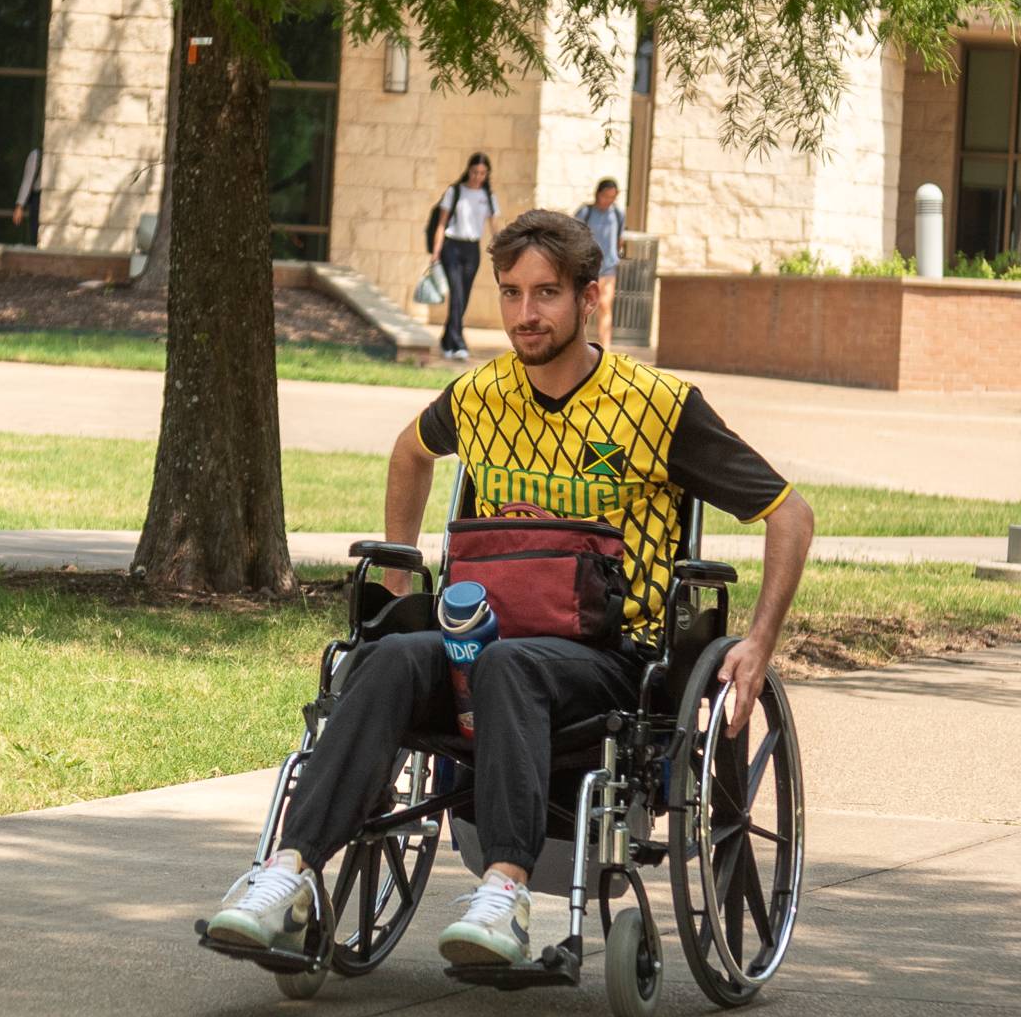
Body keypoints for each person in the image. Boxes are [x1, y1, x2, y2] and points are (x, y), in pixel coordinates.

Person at [204, 209, 817, 966]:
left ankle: (505, 892)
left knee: (508, 666)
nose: (526, 314)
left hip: (605, 659)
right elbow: (409, 451)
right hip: (479, 639)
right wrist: (402, 573)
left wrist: (757, 645)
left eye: (547, 294)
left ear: (590, 298)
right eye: (512, 293)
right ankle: (284, 874)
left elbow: (790, 513)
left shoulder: (658, 407)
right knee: (388, 659)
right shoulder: (480, 396)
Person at [429, 152, 498, 363]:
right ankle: (459, 343)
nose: (478, 176)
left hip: (472, 249)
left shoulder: (488, 197)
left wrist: (503, 248)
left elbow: (494, 225)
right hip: (452, 247)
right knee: (457, 293)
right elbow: (441, 223)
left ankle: (446, 340)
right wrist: (436, 252)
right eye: (475, 172)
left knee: (464, 296)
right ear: (468, 170)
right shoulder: (455, 191)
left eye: (483, 173)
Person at [577, 177, 626, 351]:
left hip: (608, 267)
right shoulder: (585, 212)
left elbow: (619, 238)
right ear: (598, 194)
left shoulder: (618, 214)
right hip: (587, 267)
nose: (608, 200)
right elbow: (574, 238)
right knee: (582, 307)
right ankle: (579, 347)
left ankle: (605, 349)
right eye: (606, 196)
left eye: (613, 197)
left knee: (605, 305)